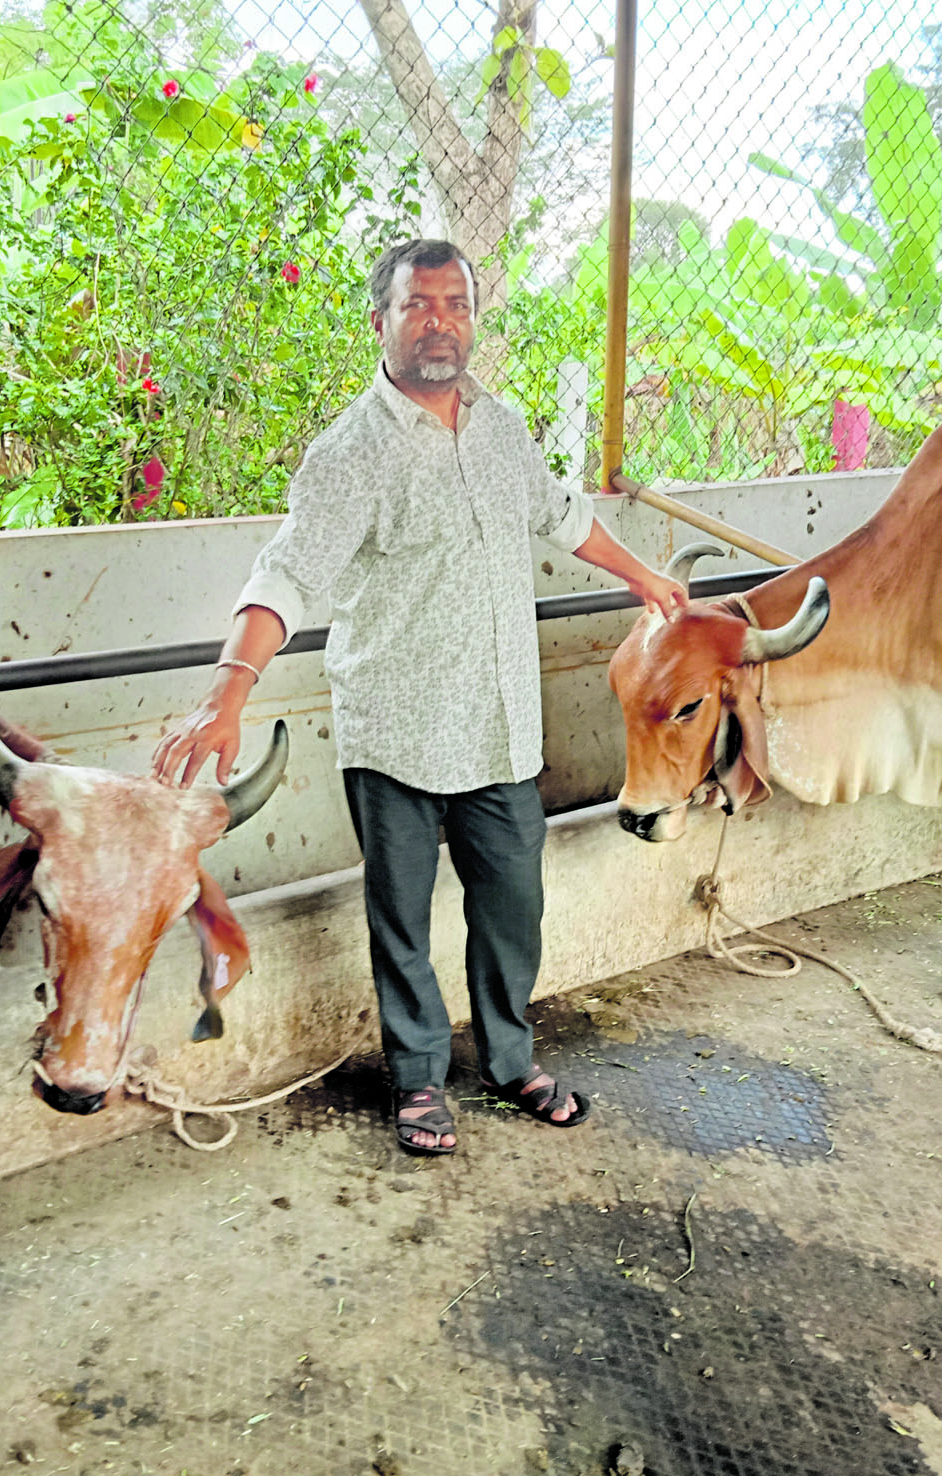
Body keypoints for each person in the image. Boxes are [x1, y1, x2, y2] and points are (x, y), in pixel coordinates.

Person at [155, 238, 685, 1156]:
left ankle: (510, 1060)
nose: (439, 321)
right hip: (396, 725)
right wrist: (228, 689)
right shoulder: (348, 454)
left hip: (500, 723)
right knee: (399, 917)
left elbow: (560, 513)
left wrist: (644, 576)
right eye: (418, 304)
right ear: (381, 321)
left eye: (455, 304)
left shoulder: (500, 427)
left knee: (512, 906)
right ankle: (418, 1079)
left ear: (473, 319)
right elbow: (288, 573)